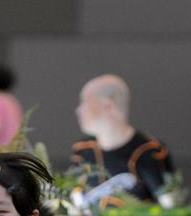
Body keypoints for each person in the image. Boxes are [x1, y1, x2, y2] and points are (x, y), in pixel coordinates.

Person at [72, 74, 176, 206]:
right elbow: (75, 201)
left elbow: (171, 207)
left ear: (108, 106)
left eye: (85, 102)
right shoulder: (83, 150)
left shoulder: (149, 152)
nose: (79, 110)